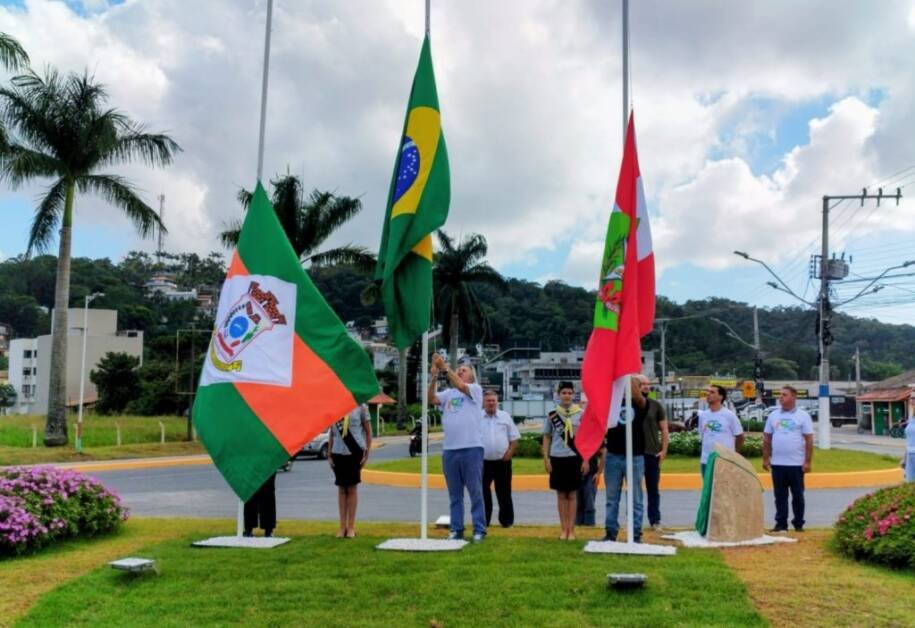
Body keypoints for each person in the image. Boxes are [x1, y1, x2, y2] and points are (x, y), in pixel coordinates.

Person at [429, 355, 487, 542]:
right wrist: (435, 377)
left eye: (465, 370)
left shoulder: (475, 390)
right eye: (459, 369)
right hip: (450, 450)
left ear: (472, 376)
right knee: (455, 494)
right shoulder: (449, 394)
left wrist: (445, 368)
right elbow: (431, 399)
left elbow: (461, 386)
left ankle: (479, 529)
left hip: (471, 448)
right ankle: (456, 529)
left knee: (475, 492)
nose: (461, 371)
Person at [542, 381, 590, 540]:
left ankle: (572, 530)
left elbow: (585, 438)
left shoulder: (581, 414)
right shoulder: (552, 414)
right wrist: (546, 458)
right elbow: (547, 437)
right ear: (558, 395)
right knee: (561, 494)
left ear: (573, 395)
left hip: (575, 458)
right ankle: (563, 529)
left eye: (570, 393)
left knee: (572, 495)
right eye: (564, 393)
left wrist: (586, 459)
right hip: (557, 457)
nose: (567, 396)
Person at [762, 385, 813, 533]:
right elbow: (767, 438)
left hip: (796, 464)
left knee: (797, 496)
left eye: (784, 395)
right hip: (778, 464)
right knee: (780, 496)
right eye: (780, 395)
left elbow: (809, 440)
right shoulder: (773, 416)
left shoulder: (803, 416)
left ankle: (798, 524)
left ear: (793, 397)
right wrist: (766, 458)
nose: (781, 397)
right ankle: (781, 524)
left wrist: (808, 461)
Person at [602, 377, 647, 543]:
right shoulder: (613, 405)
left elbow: (637, 396)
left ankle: (635, 534)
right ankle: (610, 532)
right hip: (613, 455)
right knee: (612, 498)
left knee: (635, 498)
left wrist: (627, 376)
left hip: (635, 456)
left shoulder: (642, 404)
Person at [328, 403, 372, 538]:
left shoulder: (361, 407)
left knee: (352, 488)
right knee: (341, 489)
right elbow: (332, 433)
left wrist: (367, 454)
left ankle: (351, 527)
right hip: (338, 452)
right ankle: (342, 527)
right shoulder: (335, 406)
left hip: (355, 451)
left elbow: (369, 433)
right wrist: (329, 454)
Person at [480, 389, 520, 528]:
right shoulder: (477, 417)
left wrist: (510, 452)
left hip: (502, 462)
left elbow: (514, 438)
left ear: (497, 402)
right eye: (488, 400)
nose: (491, 403)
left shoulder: (505, 416)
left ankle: (507, 522)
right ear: (483, 402)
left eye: (493, 401)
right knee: (483, 492)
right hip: (482, 462)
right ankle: (484, 521)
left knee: (504, 492)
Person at [637, 374, 669, 531]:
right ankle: (634, 522)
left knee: (653, 490)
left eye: (647, 384)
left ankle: (655, 521)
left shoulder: (656, 406)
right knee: (634, 490)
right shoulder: (629, 405)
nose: (646, 386)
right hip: (635, 454)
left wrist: (663, 450)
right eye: (642, 384)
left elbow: (664, 429)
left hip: (651, 454)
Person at [698, 384, 745, 477]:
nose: (708, 394)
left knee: (724, 490)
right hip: (706, 461)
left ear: (721, 396)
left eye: (712, 392)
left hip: (724, 460)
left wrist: (735, 455)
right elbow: (702, 435)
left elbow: (740, 437)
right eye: (708, 392)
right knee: (708, 490)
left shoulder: (729, 415)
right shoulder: (703, 415)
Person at [243, 473, 276, 537]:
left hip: (268, 466)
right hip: (251, 467)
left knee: (268, 495)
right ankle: (248, 529)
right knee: (250, 494)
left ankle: (268, 530)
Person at [904, 415, 915, 482]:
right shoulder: (911, 419)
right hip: (910, 455)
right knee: (909, 483)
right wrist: (904, 458)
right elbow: (909, 440)